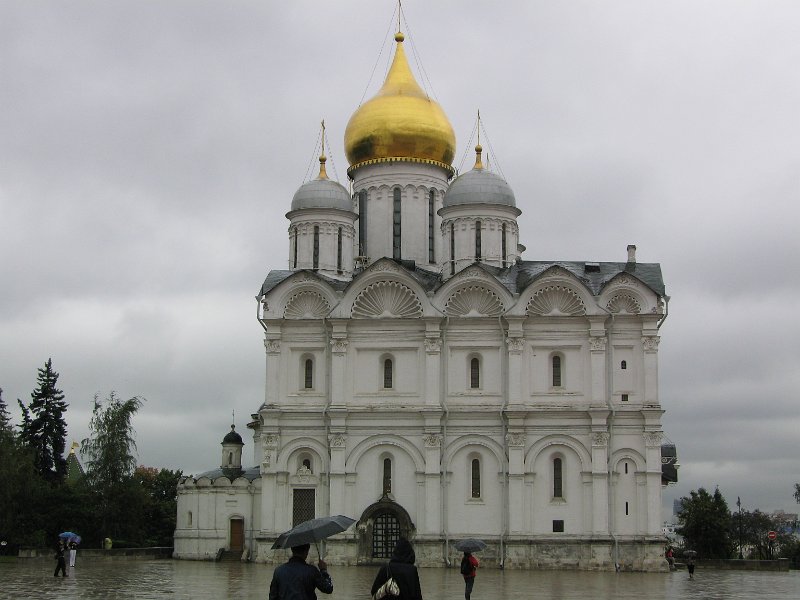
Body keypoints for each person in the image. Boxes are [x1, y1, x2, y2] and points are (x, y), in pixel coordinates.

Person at [268, 543, 333, 600]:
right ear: (306, 552)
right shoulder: (312, 571)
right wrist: (323, 570)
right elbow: (328, 588)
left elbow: (272, 596)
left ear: (292, 550)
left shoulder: (278, 571)